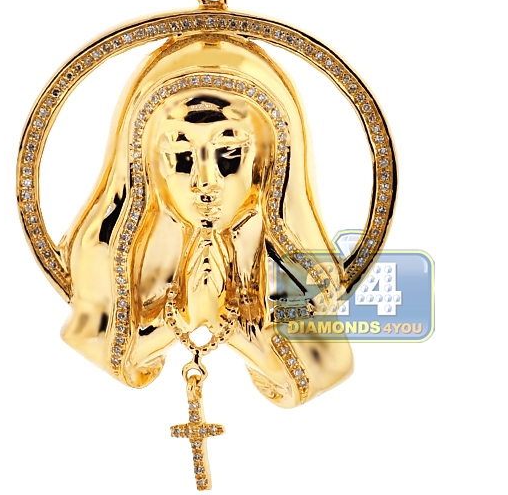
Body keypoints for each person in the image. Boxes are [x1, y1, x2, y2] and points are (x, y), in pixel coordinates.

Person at [60, 33, 353, 407]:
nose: (205, 181)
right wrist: (181, 320)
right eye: (180, 150)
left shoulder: (288, 259)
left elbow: (327, 368)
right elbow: (91, 339)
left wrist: (235, 328)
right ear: (146, 163)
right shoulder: (108, 251)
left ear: (267, 160)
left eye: (228, 149)